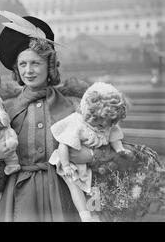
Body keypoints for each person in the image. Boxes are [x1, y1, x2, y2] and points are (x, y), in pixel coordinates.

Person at [0, 13, 94, 221]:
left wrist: (90, 156)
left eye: (35, 63)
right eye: (23, 64)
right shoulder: (5, 112)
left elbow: (103, 155)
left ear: (49, 66)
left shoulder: (73, 107)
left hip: (65, 199)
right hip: (19, 202)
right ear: (16, 68)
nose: (28, 71)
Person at [48, 81, 130, 221]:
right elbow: (64, 144)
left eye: (107, 122)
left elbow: (114, 137)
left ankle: (95, 213)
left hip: (93, 162)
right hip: (71, 160)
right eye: (99, 122)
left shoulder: (107, 124)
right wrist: (66, 165)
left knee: (95, 185)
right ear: (90, 113)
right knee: (74, 184)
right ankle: (84, 215)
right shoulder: (77, 122)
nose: (103, 126)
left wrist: (119, 149)